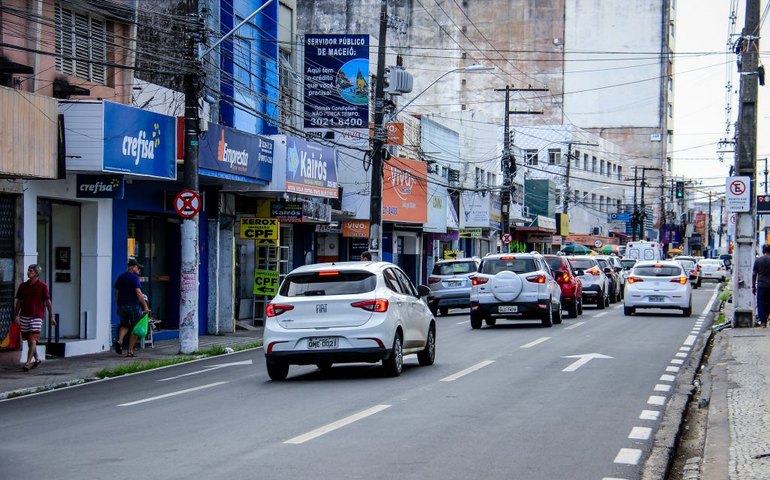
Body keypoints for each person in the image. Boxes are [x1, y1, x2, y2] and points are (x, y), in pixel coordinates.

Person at [13, 264, 54, 372]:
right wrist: (16, 315)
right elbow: (19, 302)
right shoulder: (23, 286)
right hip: (24, 316)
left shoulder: (42, 286)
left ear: (36, 273)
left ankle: (27, 363)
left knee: (32, 339)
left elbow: (47, 302)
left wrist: (51, 316)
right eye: (28, 270)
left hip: (37, 316)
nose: (28, 272)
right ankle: (37, 360)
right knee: (29, 340)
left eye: (31, 271)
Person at [114, 258, 151, 357]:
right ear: (133, 267)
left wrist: (118, 304)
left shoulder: (121, 277)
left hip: (122, 305)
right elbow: (138, 292)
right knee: (136, 327)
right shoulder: (134, 278)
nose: (139, 270)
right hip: (133, 305)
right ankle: (130, 351)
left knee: (124, 324)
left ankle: (120, 340)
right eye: (138, 268)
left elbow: (116, 292)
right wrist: (145, 306)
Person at [752, 244, 770, 327]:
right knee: (768, 302)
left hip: (761, 285)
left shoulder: (758, 260)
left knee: (760, 303)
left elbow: (754, 274)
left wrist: (753, 286)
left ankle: (763, 321)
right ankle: (766, 317)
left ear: (763, 251)